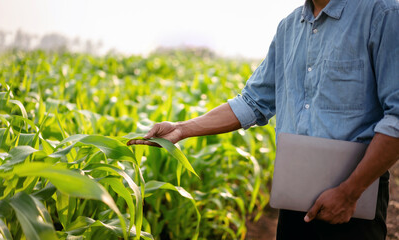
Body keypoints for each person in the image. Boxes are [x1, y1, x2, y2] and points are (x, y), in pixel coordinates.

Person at [128, 0, 399, 239]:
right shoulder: (289, 28)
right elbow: (252, 102)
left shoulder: (382, 13)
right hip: (294, 198)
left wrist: (349, 192)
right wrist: (181, 129)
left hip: (353, 200)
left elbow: (396, 116)